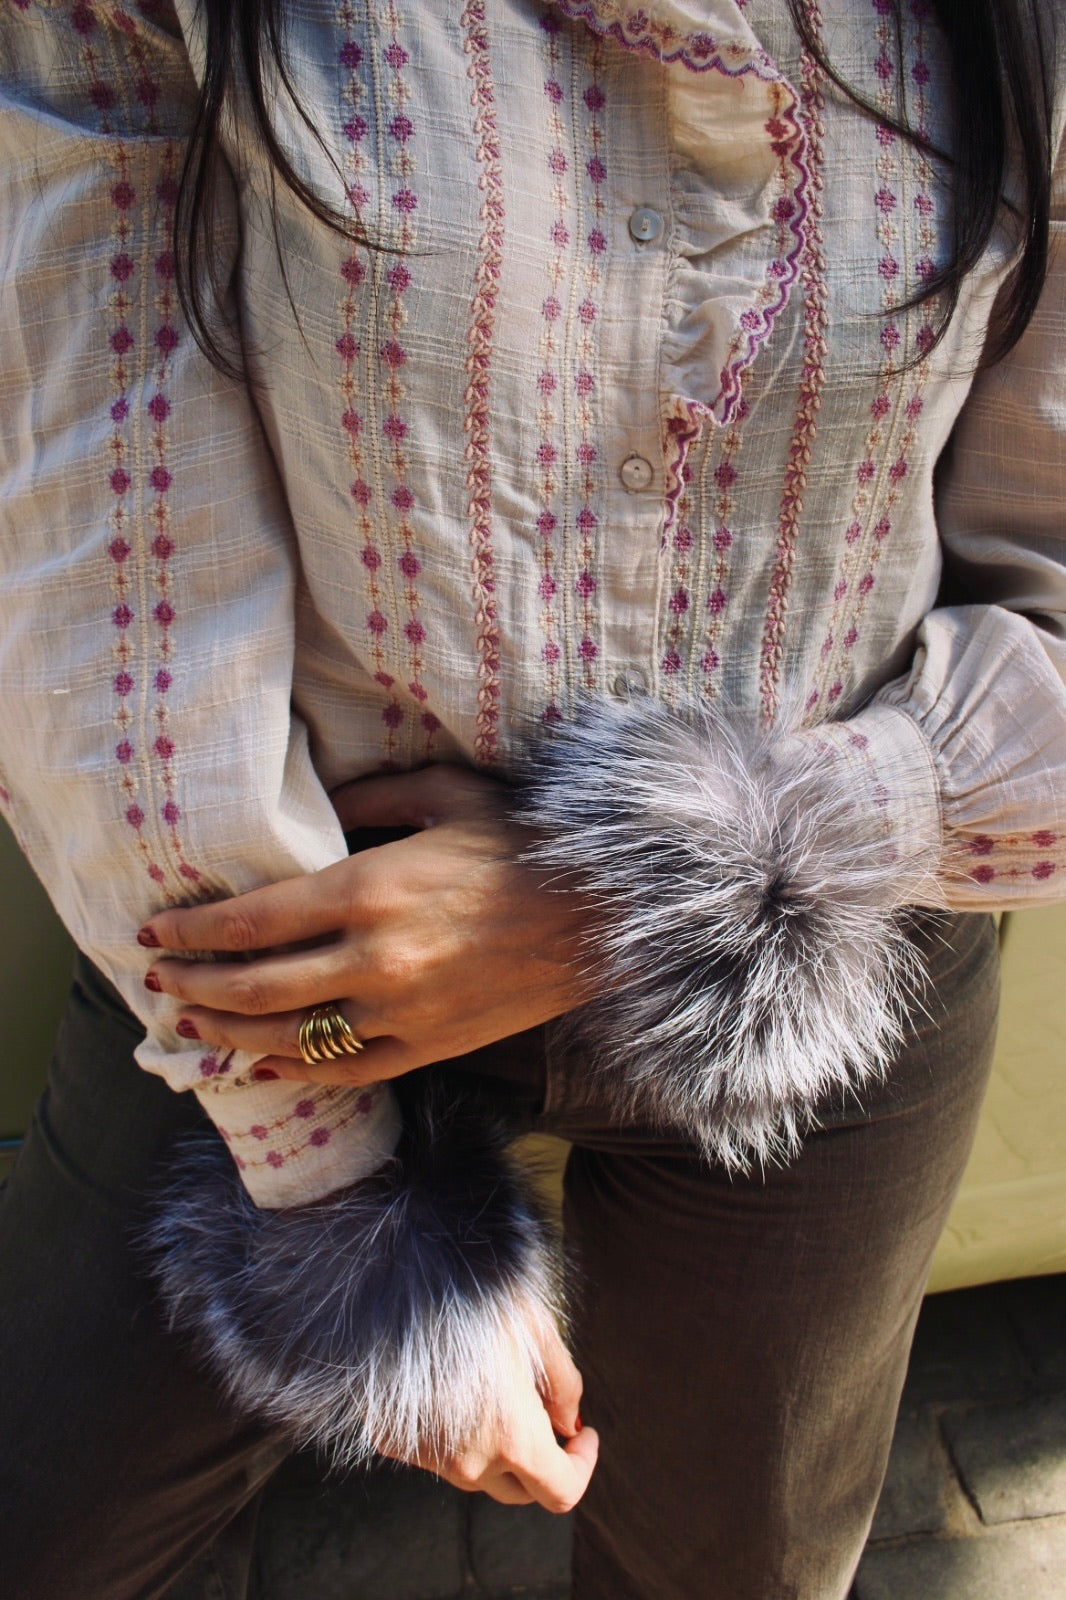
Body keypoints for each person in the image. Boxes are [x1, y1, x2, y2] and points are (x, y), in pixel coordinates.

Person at [0, 1, 1063, 1596]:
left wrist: (626, 892)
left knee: (730, 1575)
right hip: (279, 952)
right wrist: (337, 1197)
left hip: (839, 990)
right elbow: (101, 569)